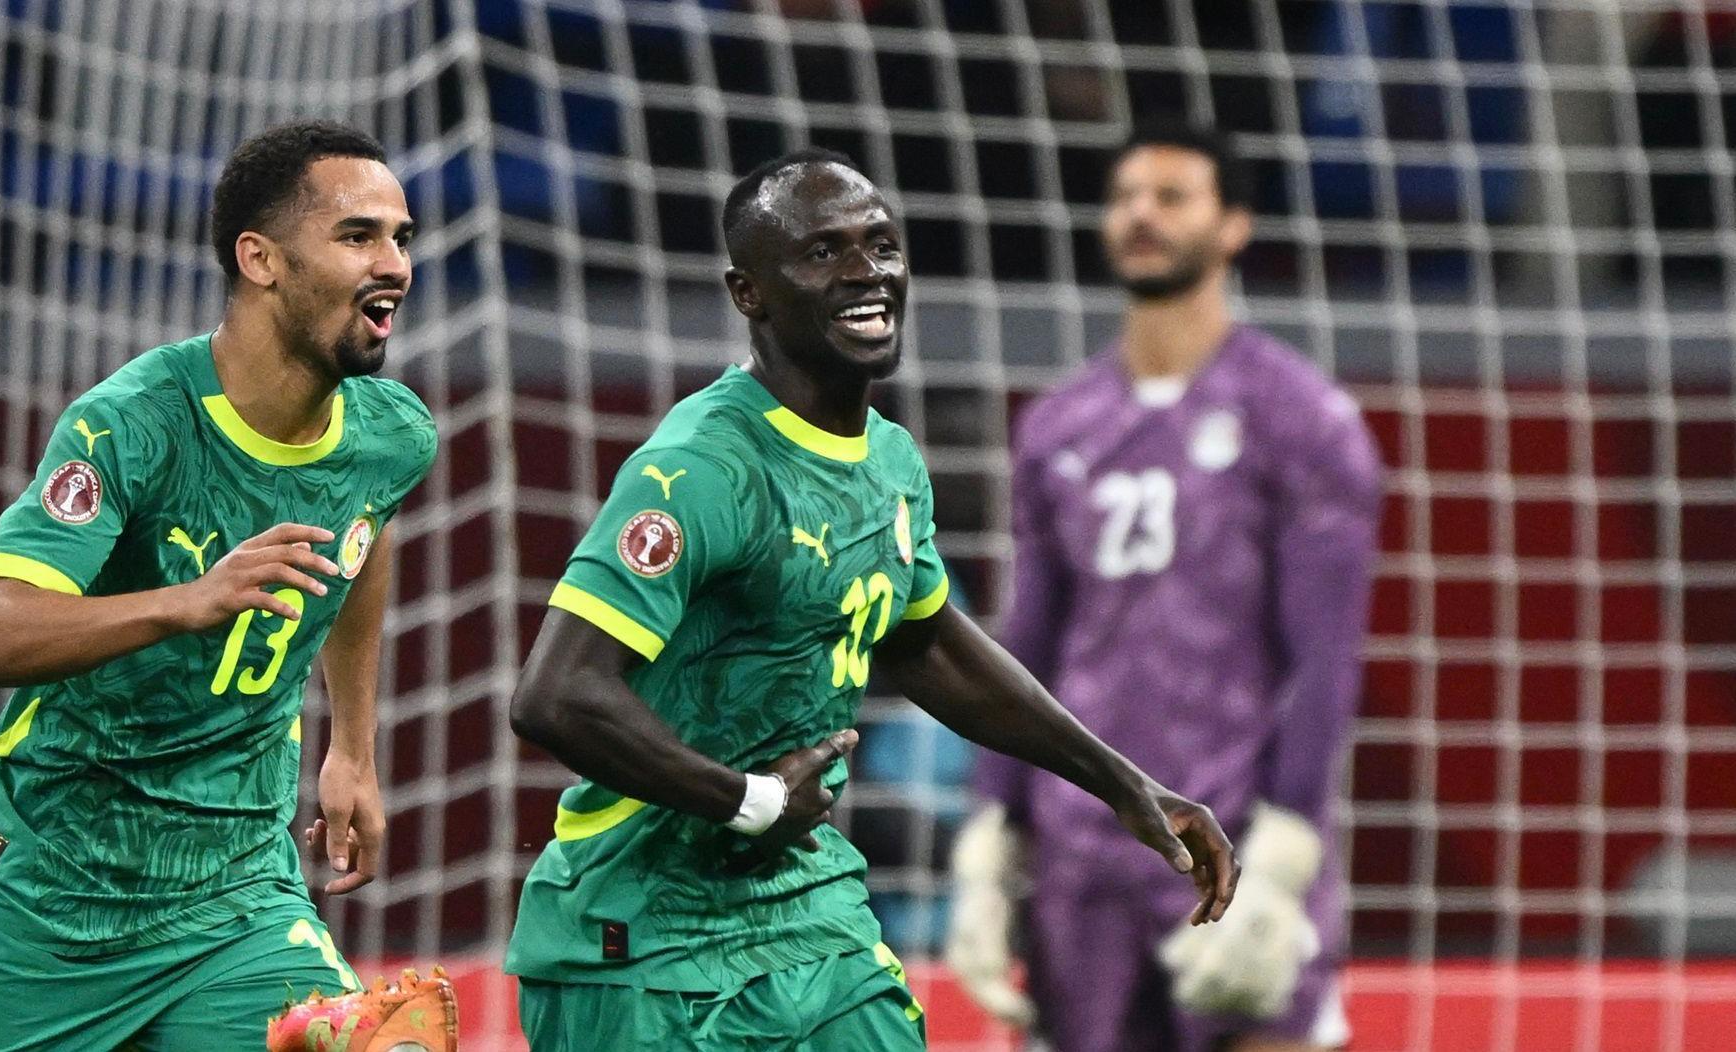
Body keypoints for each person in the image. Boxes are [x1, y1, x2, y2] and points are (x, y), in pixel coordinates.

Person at [504, 147, 1239, 1052]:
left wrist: (1123, 785)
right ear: (750, 294)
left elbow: (927, 644)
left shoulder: (889, 461)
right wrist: (749, 801)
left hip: (806, 912)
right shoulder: (703, 468)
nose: (866, 273)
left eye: (881, 245)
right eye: (823, 252)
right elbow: (555, 695)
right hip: (640, 936)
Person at [0, 120, 449, 1050]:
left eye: (401, 238)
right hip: (43, 902)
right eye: (358, 237)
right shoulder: (130, 427)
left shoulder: (392, 433)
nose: (393, 263)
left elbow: (364, 533)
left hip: (234, 900)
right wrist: (185, 601)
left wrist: (353, 743)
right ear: (260, 260)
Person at [945, 121, 1384, 1052]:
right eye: (1127, 196)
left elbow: (1325, 660)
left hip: (1232, 834)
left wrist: (1288, 854)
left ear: (1233, 226)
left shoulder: (1302, 419)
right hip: (1082, 856)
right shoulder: (1061, 424)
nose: (1142, 214)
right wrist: (989, 838)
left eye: (1173, 195)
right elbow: (1026, 645)